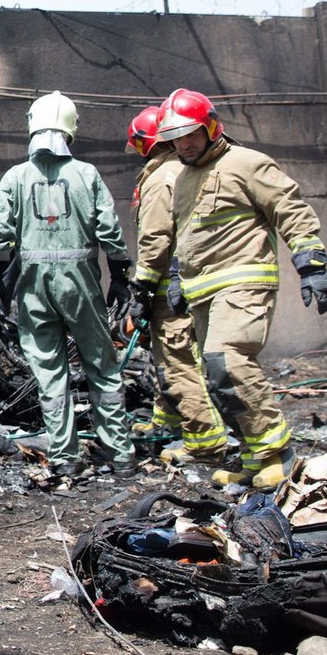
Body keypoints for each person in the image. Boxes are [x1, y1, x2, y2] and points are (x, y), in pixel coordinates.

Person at [145, 88, 327, 490]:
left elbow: (290, 208)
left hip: (244, 281)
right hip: (203, 292)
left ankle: (278, 455)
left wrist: (312, 264)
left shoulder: (246, 163)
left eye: (191, 133)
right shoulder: (182, 177)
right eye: (175, 138)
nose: (183, 143)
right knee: (216, 379)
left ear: (212, 126)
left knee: (226, 360)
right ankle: (254, 458)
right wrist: (178, 277)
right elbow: (184, 232)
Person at [0, 91, 136, 479]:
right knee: (102, 366)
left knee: (50, 372)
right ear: (71, 128)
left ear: (31, 125)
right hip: (81, 284)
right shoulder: (87, 174)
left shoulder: (15, 177)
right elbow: (110, 231)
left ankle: (66, 458)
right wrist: (119, 275)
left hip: (34, 287)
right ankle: (120, 454)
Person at [125, 105, 230, 464]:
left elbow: (155, 239)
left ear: (144, 143)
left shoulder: (159, 178)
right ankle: (167, 418)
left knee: (178, 361)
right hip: (184, 283)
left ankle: (205, 440)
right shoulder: (186, 171)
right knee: (167, 357)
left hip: (168, 290)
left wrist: (141, 286)